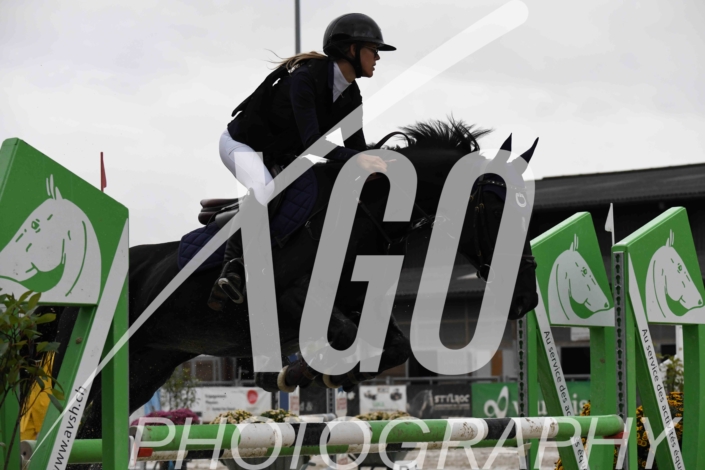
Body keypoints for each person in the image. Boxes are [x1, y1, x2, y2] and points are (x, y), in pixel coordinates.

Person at [208, 13, 396, 311]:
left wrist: (379, 165)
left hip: (281, 154)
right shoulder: (306, 78)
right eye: (373, 50)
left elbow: (356, 149)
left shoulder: (351, 96)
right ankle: (232, 267)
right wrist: (358, 161)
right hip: (242, 145)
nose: (377, 58)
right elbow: (313, 143)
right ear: (352, 49)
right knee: (264, 187)